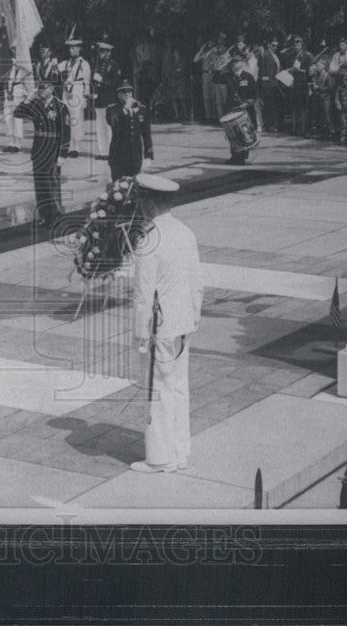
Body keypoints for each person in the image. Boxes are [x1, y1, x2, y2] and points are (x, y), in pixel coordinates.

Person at [129, 173, 203, 474]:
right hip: (183, 321)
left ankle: (160, 458)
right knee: (179, 387)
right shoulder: (185, 232)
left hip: (160, 326)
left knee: (158, 389)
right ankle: (181, 449)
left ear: (148, 203)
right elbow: (197, 282)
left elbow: (143, 295)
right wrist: (194, 316)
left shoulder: (148, 240)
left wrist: (139, 334)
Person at [15, 75, 69, 228]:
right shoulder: (36, 104)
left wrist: (62, 154)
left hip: (53, 147)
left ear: (51, 89)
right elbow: (18, 113)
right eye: (39, 87)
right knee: (40, 183)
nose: (40, 90)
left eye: (44, 87)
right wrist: (29, 98)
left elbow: (66, 132)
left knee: (52, 182)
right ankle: (44, 215)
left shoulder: (61, 106)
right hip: (39, 148)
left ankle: (57, 215)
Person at [212, 55, 258, 165]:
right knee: (232, 133)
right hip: (231, 108)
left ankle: (242, 157)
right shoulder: (228, 76)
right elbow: (215, 79)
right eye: (233, 62)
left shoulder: (248, 77)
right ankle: (235, 156)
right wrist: (221, 66)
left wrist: (247, 103)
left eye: (237, 62)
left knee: (244, 133)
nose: (234, 64)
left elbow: (254, 95)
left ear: (242, 63)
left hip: (244, 109)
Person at [106, 81, 153, 181]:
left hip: (135, 155)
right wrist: (126, 108)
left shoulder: (141, 109)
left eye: (129, 92)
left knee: (134, 186)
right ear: (118, 94)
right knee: (117, 188)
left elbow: (146, 134)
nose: (127, 94)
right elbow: (112, 121)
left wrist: (148, 154)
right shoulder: (112, 109)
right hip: (118, 156)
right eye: (123, 92)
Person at [58, 37, 91, 158]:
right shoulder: (66, 63)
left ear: (79, 49)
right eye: (70, 48)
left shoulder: (84, 64)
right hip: (67, 92)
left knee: (76, 119)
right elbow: (55, 70)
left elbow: (87, 82)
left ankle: (76, 147)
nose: (71, 51)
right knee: (67, 118)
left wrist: (85, 98)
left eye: (73, 48)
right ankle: (68, 145)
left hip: (77, 91)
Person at [92, 41, 122, 158]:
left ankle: (111, 151)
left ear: (109, 53)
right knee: (100, 127)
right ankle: (103, 151)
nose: (101, 53)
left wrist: (101, 80)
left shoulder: (114, 65)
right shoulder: (98, 65)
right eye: (100, 51)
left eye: (103, 51)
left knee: (109, 127)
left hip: (109, 99)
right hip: (99, 100)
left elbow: (115, 83)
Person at [1, 46, 30, 153]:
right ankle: (10, 142)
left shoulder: (24, 68)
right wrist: (7, 93)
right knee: (8, 120)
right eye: (12, 51)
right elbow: (6, 81)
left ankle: (17, 144)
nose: (14, 53)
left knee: (17, 120)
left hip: (18, 95)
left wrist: (26, 97)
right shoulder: (10, 67)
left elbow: (28, 84)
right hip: (8, 95)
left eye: (16, 51)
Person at [283, 36, 313, 136]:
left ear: (302, 45)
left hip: (303, 83)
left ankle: (304, 129)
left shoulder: (307, 55)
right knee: (295, 106)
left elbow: (311, 71)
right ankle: (295, 128)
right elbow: (289, 67)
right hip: (293, 83)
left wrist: (299, 70)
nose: (297, 46)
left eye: (299, 44)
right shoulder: (292, 55)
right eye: (295, 44)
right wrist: (289, 70)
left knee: (303, 107)